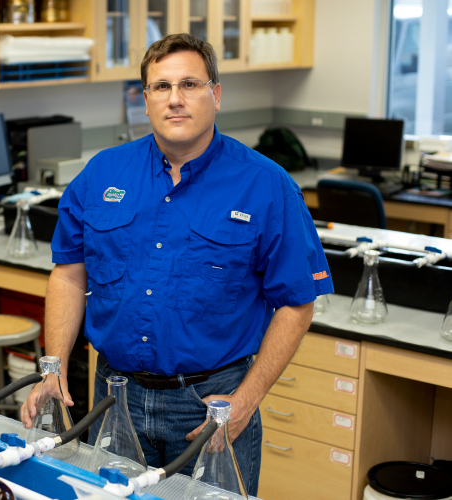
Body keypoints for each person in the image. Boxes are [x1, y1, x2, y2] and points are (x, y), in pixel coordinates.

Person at [20, 33, 333, 495]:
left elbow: (297, 303)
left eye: (189, 84)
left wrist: (247, 401)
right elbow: (68, 272)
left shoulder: (266, 186)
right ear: (145, 99)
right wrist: (53, 366)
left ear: (216, 94)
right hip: (115, 397)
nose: (175, 99)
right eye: (161, 87)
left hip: (208, 406)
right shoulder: (102, 174)